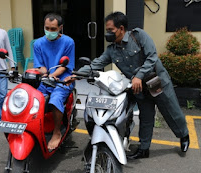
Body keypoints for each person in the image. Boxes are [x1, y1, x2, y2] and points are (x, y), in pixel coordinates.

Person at [65, 11, 190, 159]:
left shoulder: (139, 36)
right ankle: (144, 148)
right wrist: (76, 74)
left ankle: (184, 136)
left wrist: (138, 75)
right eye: (107, 30)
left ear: (121, 28)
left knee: (171, 110)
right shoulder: (112, 50)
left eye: (110, 30)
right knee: (146, 115)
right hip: (138, 87)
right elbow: (96, 64)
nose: (108, 34)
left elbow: (152, 57)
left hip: (156, 80)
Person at [33, 13, 75, 150]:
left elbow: (64, 66)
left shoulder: (68, 42)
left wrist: (52, 76)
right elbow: (39, 65)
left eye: (53, 29)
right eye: (47, 28)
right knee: (34, 99)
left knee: (56, 98)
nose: (49, 32)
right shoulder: (38, 43)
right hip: (46, 79)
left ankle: (57, 132)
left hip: (63, 80)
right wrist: (46, 75)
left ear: (60, 28)